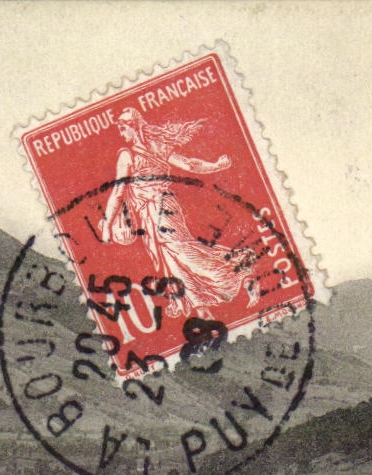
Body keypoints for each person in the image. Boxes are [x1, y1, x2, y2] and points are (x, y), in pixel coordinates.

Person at [99, 107, 260, 319]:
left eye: (123, 128)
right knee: (171, 259)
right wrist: (215, 166)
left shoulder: (130, 155)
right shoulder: (151, 148)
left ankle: (241, 274)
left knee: (183, 252)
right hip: (153, 211)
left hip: (161, 208)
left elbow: (119, 191)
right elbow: (189, 164)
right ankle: (200, 307)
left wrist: (107, 224)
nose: (121, 134)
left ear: (133, 127)